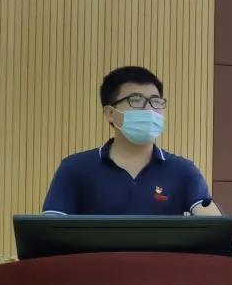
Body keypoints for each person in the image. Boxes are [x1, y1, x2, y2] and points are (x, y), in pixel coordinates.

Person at [42, 66, 222, 218]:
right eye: (136, 100)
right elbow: (48, 234)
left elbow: (216, 230)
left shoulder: (183, 171)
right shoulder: (75, 168)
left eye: (156, 101)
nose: (149, 110)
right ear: (110, 113)